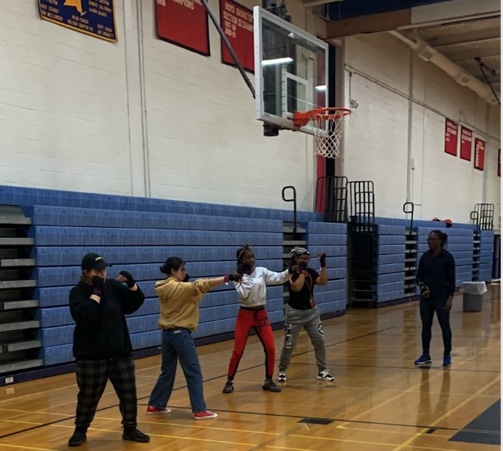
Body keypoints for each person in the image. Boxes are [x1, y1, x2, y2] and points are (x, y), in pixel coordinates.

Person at [68, 253, 149, 447]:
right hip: (91, 355)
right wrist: (96, 291)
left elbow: (133, 304)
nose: (102, 274)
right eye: (97, 271)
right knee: (88, 395)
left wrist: (132, 285)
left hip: (119, 351)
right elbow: (86, 315)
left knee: (128, 393)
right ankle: (80, 429)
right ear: (86, 272)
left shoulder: (112, 286)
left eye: (104, 270)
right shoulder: (77, 292)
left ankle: (130, 428)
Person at [147, 257, 241, 419]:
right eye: (182, 269)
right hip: (181, 334)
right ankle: (199, 409)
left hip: (166, 334)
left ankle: (156, 404)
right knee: (193, 372)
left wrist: (187, 285)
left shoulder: (163, 287)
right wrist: (227, 278)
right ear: (173, 271)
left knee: (167, 371)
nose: (185, 272)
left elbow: (194, 293)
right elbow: (202, 285)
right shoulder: (181, 288)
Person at [222, 244, 293, 394]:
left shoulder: (262, 271)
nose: (252, 259)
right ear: (241, 260)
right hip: (245, 315)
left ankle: (268, 380)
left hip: (261, 314)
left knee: (271, 348)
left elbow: (279, 278)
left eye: (253, 256)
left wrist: (289, 271)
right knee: (238, 351)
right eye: (248, 257)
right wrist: (245, 276)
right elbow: (244, 294)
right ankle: (229, 380)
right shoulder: (237, 276)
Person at [277, 247, 334, 382]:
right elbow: (296, 288)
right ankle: (282, 369)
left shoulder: (310, 272)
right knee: (289, 344)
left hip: (312, 313)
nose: (305, 261)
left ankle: (322, 370)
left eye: (306, 258)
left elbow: (323, 281)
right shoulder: (289, 274)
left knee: (319, 341)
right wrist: (302, 272)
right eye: (302, 258)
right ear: (295, 259)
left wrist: (323, 265)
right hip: (294, 314)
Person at [415, 230, 456, 367]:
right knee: (426, 326)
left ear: (440, 241)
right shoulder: (425, 257)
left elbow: (452, 280)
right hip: (426, 298)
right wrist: (421, 285)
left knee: (445, 326)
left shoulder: (448, 257)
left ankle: (447, 354)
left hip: (442, 297)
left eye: (433, 239)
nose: (430, 241)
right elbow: (418, 276)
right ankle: (426, 354)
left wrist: (450, 299)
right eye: (429, 239)